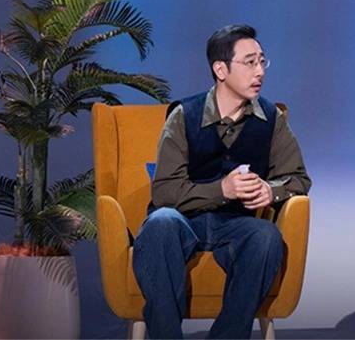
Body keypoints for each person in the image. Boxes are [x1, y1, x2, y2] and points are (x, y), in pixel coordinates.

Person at [132, 24, 311, 339]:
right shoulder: (184, 115)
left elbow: (298, 179)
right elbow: (164, 192)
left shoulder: (272, 119)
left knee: (266, 236)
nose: (260, 71)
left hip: (234, 224)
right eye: (249, 62)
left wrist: (270, 190)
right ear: (220, 69)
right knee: (161, 222)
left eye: (262, 61)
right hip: (183, 221)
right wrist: (222, 189)